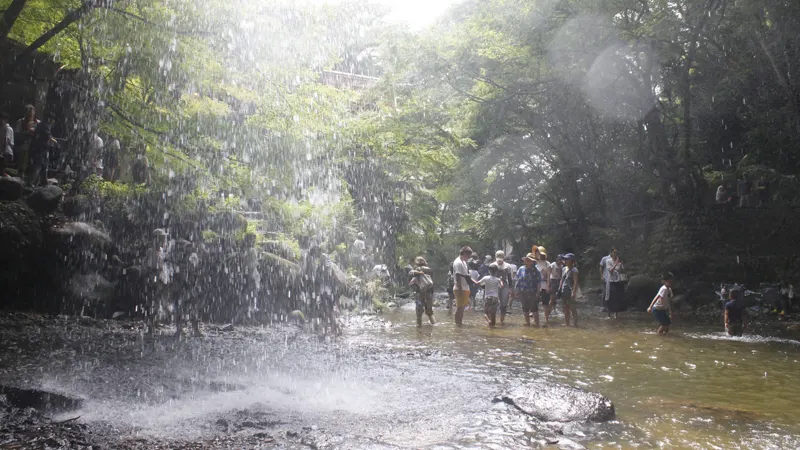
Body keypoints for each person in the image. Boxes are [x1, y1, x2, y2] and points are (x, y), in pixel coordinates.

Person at [28, 112, 56, 186]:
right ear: (49, 119)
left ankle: (41, 182)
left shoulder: (43, 124)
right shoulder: (45, 125)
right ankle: (31, 182)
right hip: (41, 149)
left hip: (42, 148)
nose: (54, 121)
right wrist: (55, 141)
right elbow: (48, 135)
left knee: (44, 166)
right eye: (53, 119)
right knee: (38, 165)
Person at [514, 253, 541, 327]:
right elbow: (517, 280)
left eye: (530, 260)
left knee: (534, 309)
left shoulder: (536, 271)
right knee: (525, 309)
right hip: (523, 292)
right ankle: (527, 323)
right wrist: (516, 290)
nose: (528, 261)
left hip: (533, 292)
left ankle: (537, 324)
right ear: (525, 261)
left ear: (533, 262)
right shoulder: (521, 269)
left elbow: (539, 282)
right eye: (527, 260)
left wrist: (538, 292)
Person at [490, 250, 515, 325]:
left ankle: (502, 320)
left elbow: (510, 278)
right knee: (493, 303)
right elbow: (490, 277)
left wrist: (511, 288)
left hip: (504, 285)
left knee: (504, 304)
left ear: (503, 258)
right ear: (496, 257)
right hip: (494, 286)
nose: (499, 261)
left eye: (501, 259)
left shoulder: (508, 266)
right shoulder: (492, 265)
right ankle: (493, 320)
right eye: (498, 259)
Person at [409, 256, 435, 327]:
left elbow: (410, 274)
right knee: (430, 312)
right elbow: (432, 283)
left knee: (419, 313)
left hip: (420, 294)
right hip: (429, 293)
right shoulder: (430, 270)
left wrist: (416, 272)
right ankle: (434, 325)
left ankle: (419, 327)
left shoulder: (417, 269)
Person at [452, 246, 474, 325]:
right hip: (460, 288)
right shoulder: (458, 262)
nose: (468, 258)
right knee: (459, 308)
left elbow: (465, 275)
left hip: (465, 288)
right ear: (464, 253)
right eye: (468, 256)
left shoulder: (463, 262)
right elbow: (458, 276)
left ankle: (459, 324)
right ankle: (457, 325)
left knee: (462, 308)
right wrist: (460, 289)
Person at [15, 105, 38, 177]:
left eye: (32, 111)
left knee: (31, 163)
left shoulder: (38, 122)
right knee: (22, 162)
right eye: (29, 111)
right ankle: (20, 176)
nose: (30, 113)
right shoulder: (21, 121)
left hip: (33, 146)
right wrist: (27, 132)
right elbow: (17, 133)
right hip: (23, 145)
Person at [605, 248, 626, 319]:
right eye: (614, 253)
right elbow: (610, 270)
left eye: (616, 253)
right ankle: (608, 314)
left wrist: (622, 265)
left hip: (618, 281)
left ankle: (615, 314)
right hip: (611, 281)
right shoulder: (608, 261)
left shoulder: (619, 261)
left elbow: (622, 271)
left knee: (617, 298)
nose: (615, 254)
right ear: (611, 253)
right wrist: (616, 263)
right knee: (610, 298)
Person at [560, 253, 579, 327]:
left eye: (567, 259)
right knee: (565, 309)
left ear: (572, 261)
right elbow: (562, 279)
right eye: (565, 259)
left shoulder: (574, 270)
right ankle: (567, 324)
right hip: (564, 291)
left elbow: (576, 282)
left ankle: (575, 325)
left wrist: (573, 292)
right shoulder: (564, 269)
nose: (565, 260)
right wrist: (559, 288)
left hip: (570, 291)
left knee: (573, 309)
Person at [537, 250, 553, 324]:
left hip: (544, 286)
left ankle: (546, 319)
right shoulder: (536, 264)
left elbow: (549, 276)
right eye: (540, 255)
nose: (541, 256)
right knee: (535, 303)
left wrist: (548, 286)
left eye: (542, 255)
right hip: (537, 287)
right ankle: (536, 320)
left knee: (545, 304)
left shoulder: (547, 264)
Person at [0, 112, 14, 177]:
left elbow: (6, 140)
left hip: (6, 152)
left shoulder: (8, 128)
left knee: (2, 169)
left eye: (2, 119)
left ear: (6, 120)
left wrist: (2, 152)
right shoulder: (2, 128)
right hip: (2, 151)